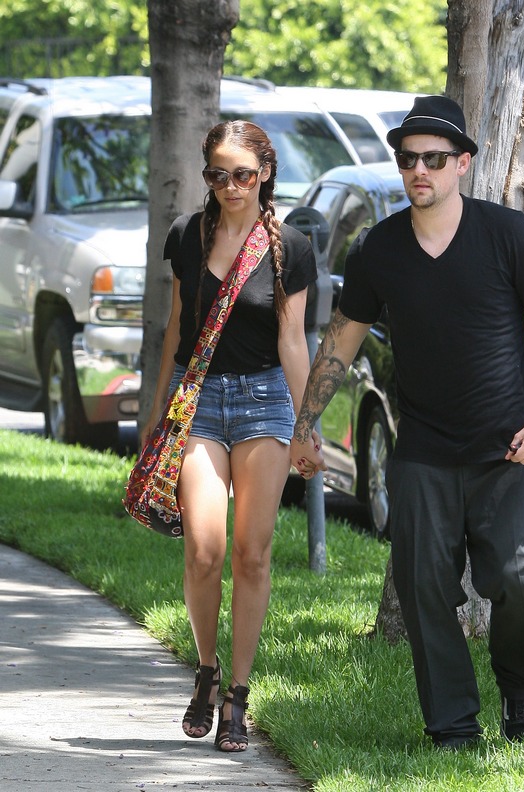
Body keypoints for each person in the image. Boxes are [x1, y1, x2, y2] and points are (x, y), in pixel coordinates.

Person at [291, 95, 524, 749]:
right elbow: (341, 342)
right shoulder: (378, 250)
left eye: (435, 158)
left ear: (463, 164)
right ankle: (452, 725)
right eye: (409, 158)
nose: (420, 169)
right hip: (420, 450)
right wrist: (306, 426)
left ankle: (519, 692)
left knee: (517, 581)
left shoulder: (508, 235)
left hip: (508, 449)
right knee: (425, 592)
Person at [141, 120, 317, 752]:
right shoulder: (188, 235)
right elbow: (176, 328)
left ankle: (239, 695)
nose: (229, 185)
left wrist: (306, 425)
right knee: (204, 549)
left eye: (242, 173)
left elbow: (292, 341)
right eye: (217, 174)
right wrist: (157, 411)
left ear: (264, 173)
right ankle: (206, 672)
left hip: (266, 400)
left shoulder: (289, 247)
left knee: (252, 553)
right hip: (201, 402)